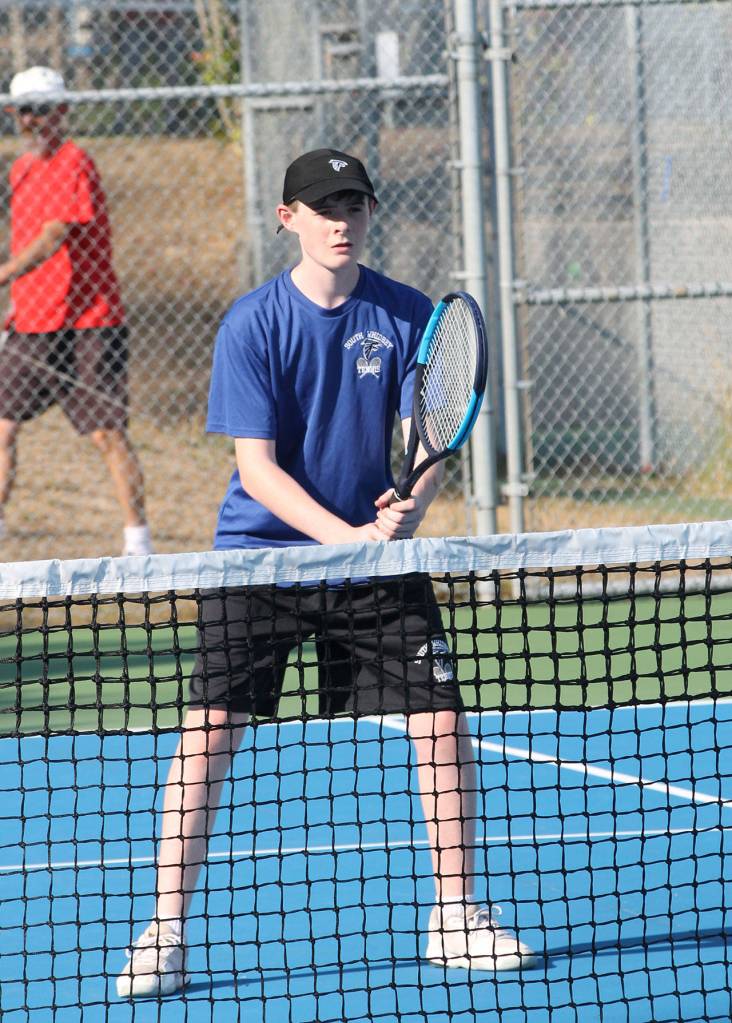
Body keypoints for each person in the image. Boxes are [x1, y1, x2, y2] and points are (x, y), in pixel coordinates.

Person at [117, 147, 535, 997]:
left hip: (371, 566)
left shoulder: (410, 312)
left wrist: (410, 505)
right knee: (207, 735)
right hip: (260, 559)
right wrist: (346, 533)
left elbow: (432, 434)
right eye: (323, 206)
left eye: (355, 204)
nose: (341, 220)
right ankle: (164, 930)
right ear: (288, 220)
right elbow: (259, 469)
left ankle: (457, 914)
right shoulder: (253, 324)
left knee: (442, 727)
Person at [0, 66, 153, 556]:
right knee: (2, 427)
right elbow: (25, 237)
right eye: (26, 111)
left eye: (44, 109)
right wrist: (15, 300)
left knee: (107, 433)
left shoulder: (74, 162)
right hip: (31, 323)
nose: (34, 120)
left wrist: (3, 274)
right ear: (13, 115)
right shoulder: (20, 171)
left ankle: (138, 542)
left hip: (90, 321)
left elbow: (52, 235)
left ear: (63, 112)